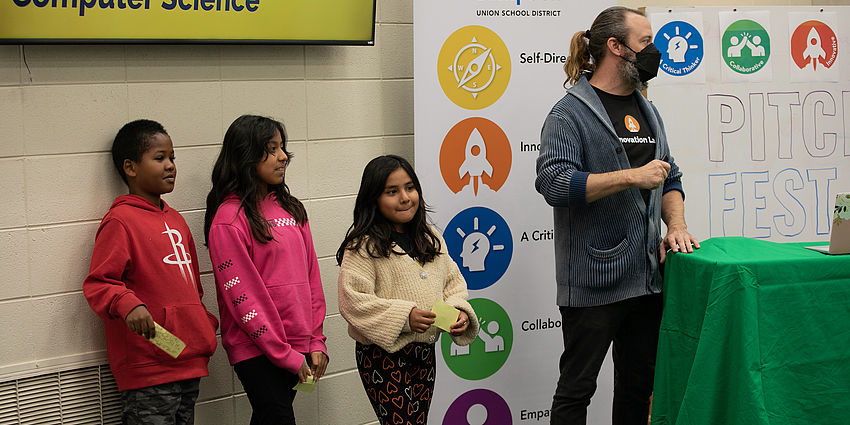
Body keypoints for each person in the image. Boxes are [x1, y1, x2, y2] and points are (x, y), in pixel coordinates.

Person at [535, 6, 700, 425]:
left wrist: (675, 226)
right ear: (615, 47)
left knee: (637, 387)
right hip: (593, 285)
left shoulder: (648, 109)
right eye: (645, 42)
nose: (655, 52)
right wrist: (630, 176)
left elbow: (670, 177)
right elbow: (555, 184)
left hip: (647, 281)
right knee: (576, 390)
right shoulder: (567, 114)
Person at [83, 119, 219, 425]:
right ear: (130, 168)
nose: (170, 166)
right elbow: (99, 283)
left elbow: (193, 288)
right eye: (159, 158)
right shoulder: (120, 221)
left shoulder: (178, 220)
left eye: (172, 158)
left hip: (188, 360)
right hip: (149, 369)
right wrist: (129, 304)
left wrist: (203, 324)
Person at [336, 155, 479, 425]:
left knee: (418, 421)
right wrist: (405, 316)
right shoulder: (363, 247)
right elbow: (352, 302)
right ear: (373, 198)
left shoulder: (430, 236)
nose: (405, 197)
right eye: (392, 191)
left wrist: (458, 311)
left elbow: (452, 283)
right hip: (382, 357)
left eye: (410, 187)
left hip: (424, 354)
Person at [204, 115, 328, 425]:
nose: (283, 156)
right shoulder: (228, 219)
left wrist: (315, 340)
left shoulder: (292, 208)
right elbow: (243, 299)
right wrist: (283, 353)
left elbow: (312, 278)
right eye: (271, 149)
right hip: (257, 349)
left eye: (282, 148)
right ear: (246, 155)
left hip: (299, 344)